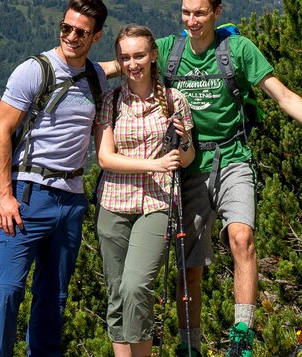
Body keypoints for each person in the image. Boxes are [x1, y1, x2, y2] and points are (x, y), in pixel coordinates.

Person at [101, 0, 302, 357]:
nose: (191, 21)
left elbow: (283, 95)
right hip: (187, 168)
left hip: (232, 159)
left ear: (217, 12)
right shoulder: (168, 49)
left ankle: (242, 337)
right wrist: (60, 69)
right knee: (188, 264)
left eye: (199, 13)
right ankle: (188, 345)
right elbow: (119, 64)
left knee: (241, 238)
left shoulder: (238, 49)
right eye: (185, 13)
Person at [0, 0, 109, 357]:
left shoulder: (97, 77)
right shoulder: (34, 70)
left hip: (71, 199)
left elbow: (114, 69)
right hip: (27, 194)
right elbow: (0, 133)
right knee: (6, 290)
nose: (71, 37)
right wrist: (4, 195)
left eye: (81, 32)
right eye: (66, 28)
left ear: (96, 36)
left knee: (53, 297)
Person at [94, 25, 196, 357]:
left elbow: (189, 155)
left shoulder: (173, 100)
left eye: (139, 55)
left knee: (136, 285)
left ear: (153, 56)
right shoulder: (111, 101)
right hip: (114, 203)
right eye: (125, 57)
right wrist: (153, 165)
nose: (132, 63)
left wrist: (181, 143)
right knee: (117, 292)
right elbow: (105, 157)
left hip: (157, 202)